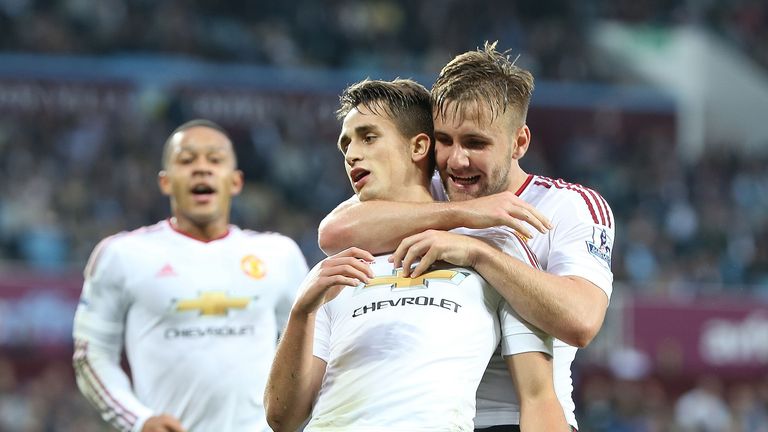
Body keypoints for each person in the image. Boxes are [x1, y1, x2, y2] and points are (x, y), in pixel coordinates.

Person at [318, 42, 615, 431]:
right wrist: (463, 213)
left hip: (517, 417)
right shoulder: (429, 194)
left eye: (475, 143)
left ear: (519, 143)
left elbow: (581, 320)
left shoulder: (569, 205)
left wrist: (477, 251)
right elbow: (335, 232)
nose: (457, 160)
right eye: (445, 140)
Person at [264, 79, 567, 431]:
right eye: (345, 143)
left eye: (368, 137)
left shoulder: (491, 248)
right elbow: (282, 418)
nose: (351, 154)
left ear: (419, 146)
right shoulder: (333, 270)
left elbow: (538, 396)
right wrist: (302, 312)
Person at [72, 119, 308, 432]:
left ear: (235, 181)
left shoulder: (280, 254)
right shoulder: (122, 254)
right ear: (166, 181)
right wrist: (138, 420)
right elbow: (91, 354)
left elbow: (309, 353)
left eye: (215, 159)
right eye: (186, 160)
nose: (201, 168)